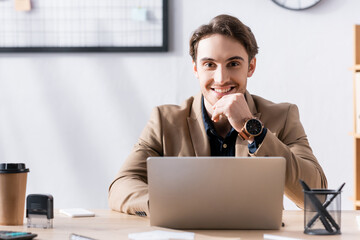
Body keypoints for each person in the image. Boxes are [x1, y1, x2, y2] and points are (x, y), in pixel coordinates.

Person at [108, 14, 327, 216]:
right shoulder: (164, 121)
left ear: (250, 67)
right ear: (196, 69)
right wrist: (168, 203)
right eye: (209, 65)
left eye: (233, 64)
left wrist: (252, 129)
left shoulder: (283, 116)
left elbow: (316, 196)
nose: (221, 78)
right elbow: (122, 185)